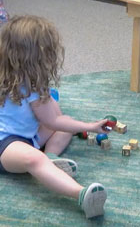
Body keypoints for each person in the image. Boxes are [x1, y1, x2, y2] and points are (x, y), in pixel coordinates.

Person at [0, 15, 111, 219]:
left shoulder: (34, 84)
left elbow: (54, 119)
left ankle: (51, 158)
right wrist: (91, 126)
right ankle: (81, 194)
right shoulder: (11, 79)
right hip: (5, 146)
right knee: (34, 158)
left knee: (65, 123)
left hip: (29, 136)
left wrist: (86, 125)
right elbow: (52, 120)